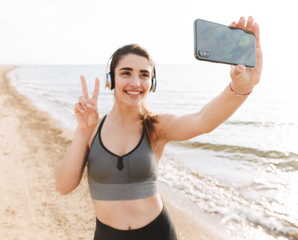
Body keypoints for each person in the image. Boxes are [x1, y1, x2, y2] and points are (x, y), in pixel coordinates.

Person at [55, 16, 262, 240]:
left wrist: (241, 87)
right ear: (111, 79)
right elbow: (63, 186)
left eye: (144, 75)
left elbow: (204, 120)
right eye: (126, 72)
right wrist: (83, 130)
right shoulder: (92, 127)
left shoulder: (156, 126)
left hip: (158, 233)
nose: (136, 82)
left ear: (151, 83)